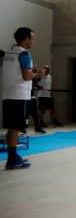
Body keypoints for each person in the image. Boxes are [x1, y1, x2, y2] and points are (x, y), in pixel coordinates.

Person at [2, 27, 42, 169]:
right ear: (25, 39)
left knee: (12, 127)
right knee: (16, 127)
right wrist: (39, 74)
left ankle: (13, 157)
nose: (33, 41)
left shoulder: (9, 53)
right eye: (32, 38)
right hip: (19, 96)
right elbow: (26, 76)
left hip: (8, 95)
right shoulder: (24, 54)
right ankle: (12, 160)